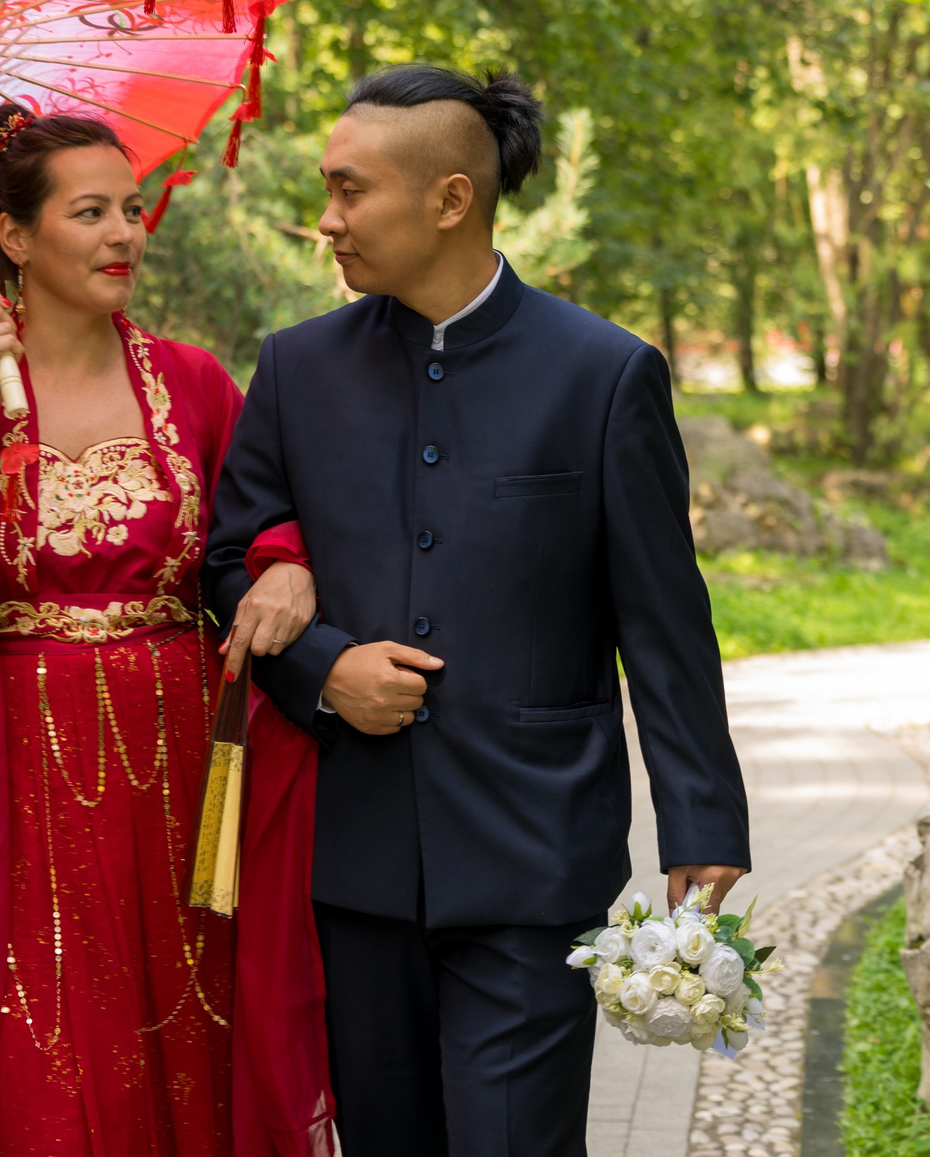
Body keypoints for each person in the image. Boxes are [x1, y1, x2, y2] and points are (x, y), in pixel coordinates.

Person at [205, 65, 751, 1157]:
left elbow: (661, 618)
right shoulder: (297, 369)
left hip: (533, 852)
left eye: (351, 190)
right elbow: (225, 563)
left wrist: (701, 819)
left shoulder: (603, 374)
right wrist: (323, 668)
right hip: (354, 856)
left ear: (450, 198)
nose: (327, 219)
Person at [0, 105, 336, 1157]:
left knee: (197, 1015)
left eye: (133, 208)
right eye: (90, 213)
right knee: (42, 1022)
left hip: (186, 757)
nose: (125, 233)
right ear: (14, 237)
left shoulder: (192, 382)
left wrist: (287, 562)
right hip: (21, 773)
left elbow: (264, 519)